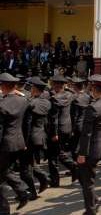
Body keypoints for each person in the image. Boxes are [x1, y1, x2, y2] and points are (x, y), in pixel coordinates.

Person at [76, 74, 101, 215]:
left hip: (91, 149)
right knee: (86, 177)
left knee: (87, 182)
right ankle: (93, 202)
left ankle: (90, 210)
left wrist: (82, 154)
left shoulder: (92, 108)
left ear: (94, 88)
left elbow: (87, 134)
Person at [0, 73, 31, 214]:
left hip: (5, 144)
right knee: (5, 171)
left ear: (3, 86)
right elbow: (26, 123)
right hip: (19, 142)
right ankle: (22, 191)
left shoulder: (2, 104)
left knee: (4, 173)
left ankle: (5, 208)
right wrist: (24, 141)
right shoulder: (23, 101)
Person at [20, 77, 51, 200]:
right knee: (30, 162)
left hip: (30, 138)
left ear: (34, 89)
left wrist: (24, 141)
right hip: (41, 136)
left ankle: (32, 191)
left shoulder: (31, 103)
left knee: (24, 168)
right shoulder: (46, 102)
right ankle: (44, 178)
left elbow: (27, 124)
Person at [48, 74, 77, 187]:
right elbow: (75, 96)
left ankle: (56, 180)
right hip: (67, 127)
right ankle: (74, 168)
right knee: (60, 152)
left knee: (54, 156)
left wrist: (54, 133)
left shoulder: (54, 99)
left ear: (55, 85)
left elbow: (54, 118)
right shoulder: (69, 95)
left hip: (58, 130)